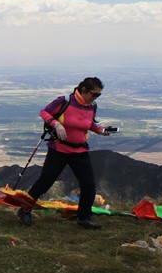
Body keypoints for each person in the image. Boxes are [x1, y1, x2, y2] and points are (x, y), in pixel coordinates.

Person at [17, 77, 115, 229]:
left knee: (88, 185)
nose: (96, 98)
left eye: (98, 95)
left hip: (79, 150)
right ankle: (24, 209)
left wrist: (100, 130)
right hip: (59, 149)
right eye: (94, 94)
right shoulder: (64, 101)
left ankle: (84, 218)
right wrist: (57, 124)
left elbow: (90, 124)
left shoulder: (92, 106)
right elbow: (44, 112)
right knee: (45, 182)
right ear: (84, 90)